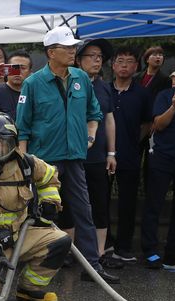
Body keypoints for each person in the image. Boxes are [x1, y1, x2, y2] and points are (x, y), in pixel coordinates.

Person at [16, 26, 119, 284]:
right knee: (39, 213)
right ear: (51, 52)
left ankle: (93, 267)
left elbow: (94, 112)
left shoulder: (80, 78)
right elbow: (23, 128)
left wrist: (91, 136)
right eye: (68, 47)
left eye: (74, 46)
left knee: (84, 211)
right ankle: (33, 266)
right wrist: (23, 164)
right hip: (43, 161)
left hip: (74, 158)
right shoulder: (32, 83)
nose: (74, 51)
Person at [0, 112, 71, 301]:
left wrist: (50, 202)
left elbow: (49, 177)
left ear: (14, 143)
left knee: (60, 242)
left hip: (19, 236)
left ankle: (29, 288)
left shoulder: (26, 164)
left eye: (1, 143)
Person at [74, 38, 120, 268]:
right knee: (69, 204)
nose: (96, 60)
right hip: (72, 155)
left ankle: (99, 254)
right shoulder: (69, 82)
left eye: (100, 56)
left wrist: (111, 152)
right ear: (78, 59)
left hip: (98, 156)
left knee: (100, 204)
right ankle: (68, 253)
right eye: (91, 55)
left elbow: (109, 120)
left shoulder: (103, 86)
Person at [109, 47, 153, 264]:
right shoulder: (103, 89)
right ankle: (105, 242)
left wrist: (134, 142)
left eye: (129, 62)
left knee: (128, 203)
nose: (124, 65)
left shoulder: (143, 94)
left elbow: (147, 123)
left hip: (129, 155)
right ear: (113, 65)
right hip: (102, 155)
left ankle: (124, 247)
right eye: (120, 60)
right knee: (100, 201)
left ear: (136, 66)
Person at [141, 78, 175, 271]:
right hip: (163, 157)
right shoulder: (166, 95)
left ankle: (173, 254)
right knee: (153, 205)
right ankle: (150, 250)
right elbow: (158, 124)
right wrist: (174, 107)